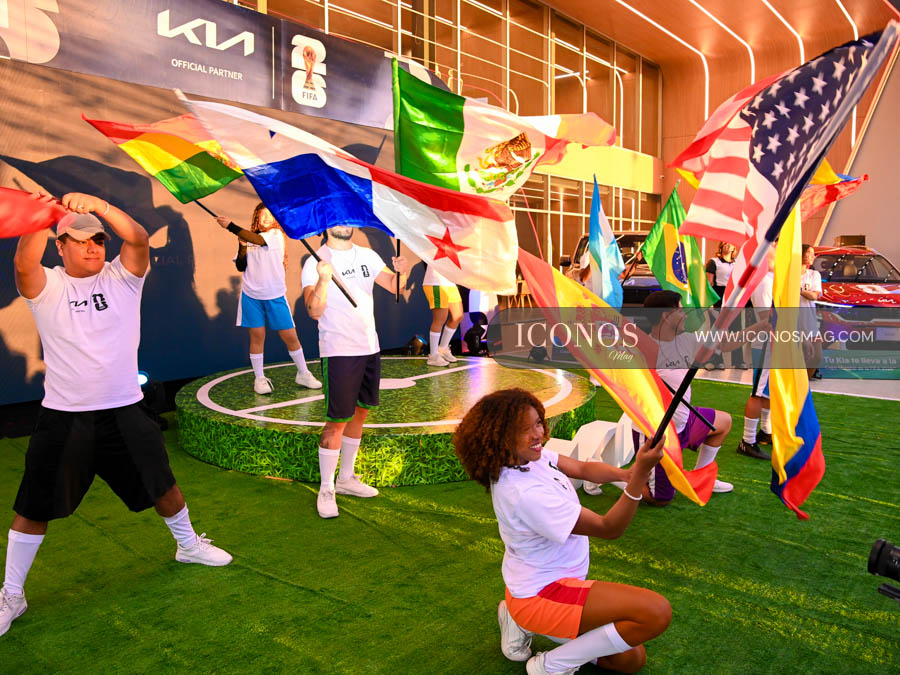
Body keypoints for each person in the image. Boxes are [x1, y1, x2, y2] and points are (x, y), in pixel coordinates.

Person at [1, 192, 232, 638]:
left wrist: (99, 207)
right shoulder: (48, 287)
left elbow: (139, 239)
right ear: (59, 246)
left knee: (163, 485)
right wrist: (42, 217)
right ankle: (12, 593)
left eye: (99, 240)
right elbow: (23, 265)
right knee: (33, 506)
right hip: (65, 417)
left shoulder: (122, 278)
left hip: (125, 409)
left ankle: (188, 545)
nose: (93, 247)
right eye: (80, 240)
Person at [454, 389, 671, 675]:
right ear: (500, 437)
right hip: (544, 594)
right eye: (524, 429)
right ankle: (548, 666)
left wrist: (625, 474)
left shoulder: (528, 458)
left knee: (630, 660)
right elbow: (609, 528)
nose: (538, 434)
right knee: (656, 612)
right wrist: (640, 476)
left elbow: (581, 468)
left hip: (548, 584)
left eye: (537, 423)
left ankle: (516, 618)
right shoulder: (525, 493)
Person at [301, 226, 408, 519]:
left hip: (369, 346)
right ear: (327, 225)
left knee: (360, 413)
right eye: (337, 218)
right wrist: (324, 280)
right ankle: (326, 489)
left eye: (347, 217)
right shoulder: (315, 262)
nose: (344, 222)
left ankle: (346, 478)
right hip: (338, 350)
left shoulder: (367, 255)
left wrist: (401, 272)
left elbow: (395, 287)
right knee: (336, 421)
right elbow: (313, 311)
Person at [643, 291, 736, 504]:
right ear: (666, 316)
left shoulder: (686, 339)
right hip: (660, 433)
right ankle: (620, 479)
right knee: (661, 499)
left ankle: (701, 479)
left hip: (684, 421)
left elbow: (724, 344)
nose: (685, 315)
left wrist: (758, 328)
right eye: (680, 310)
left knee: (724, 422)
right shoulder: (647, 350)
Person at [217, 204, 321, 395]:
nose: (265, 218)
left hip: (274, 295)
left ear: (275, 218)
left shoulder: (276, 235)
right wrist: (242, 246)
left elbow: (257, 240)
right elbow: (241, 266)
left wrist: (230, 226)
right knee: (257, 336)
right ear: (256, 217)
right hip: (251, 295)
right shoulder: (249, 237)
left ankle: (303, 373)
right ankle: (259, 378)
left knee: (290, 337)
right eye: (261, 215)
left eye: (269, 215)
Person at [737, 247, 776, 460]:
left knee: (766, 391)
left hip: (773, 342)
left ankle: (765, 431)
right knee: (757, 393)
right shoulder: (763, 281)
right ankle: (747, 440)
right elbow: (766, 318)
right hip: (766, 343)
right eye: (774, 250)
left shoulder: (770, 279)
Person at [422, 264, 463, 367]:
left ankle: (443, 349)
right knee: (440, 318)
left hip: (450, 283)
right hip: (435, 282)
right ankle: (433, 356)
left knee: (457, 316)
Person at [799, 244, 823, 380]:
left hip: (810, 323)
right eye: (809, 252)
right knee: (799, 357)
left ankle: (805, 382)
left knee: (817, 357)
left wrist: (799, 291)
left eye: (813, 253)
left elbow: (814, 295)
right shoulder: (789, 275)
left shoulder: (814, 275)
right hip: (794, 324)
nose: (813, 256)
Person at [705, 242, 736, 309]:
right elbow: (709, 284)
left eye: (730, 243)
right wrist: (710, 302)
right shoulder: (714, 262)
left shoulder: (737, 262)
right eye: (725, 243)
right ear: (721, 246)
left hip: (733, 293)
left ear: (734, 248)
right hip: (719, 293)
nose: (728, 245)